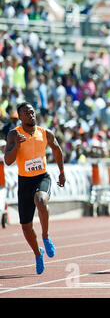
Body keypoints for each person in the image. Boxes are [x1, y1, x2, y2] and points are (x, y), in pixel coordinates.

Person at [4, 102, 66, 275]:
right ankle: (38, 254)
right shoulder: (13, 134)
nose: (30, 115)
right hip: (24, 181)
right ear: (20, 117)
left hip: (42, 177)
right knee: (26, 227)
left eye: (32, 112)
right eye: (26, 113)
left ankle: (45, 236)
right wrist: (16, 145)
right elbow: (8, 161)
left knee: (41, 200)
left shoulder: (44, 133)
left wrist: (61, 171)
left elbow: (57, 149)